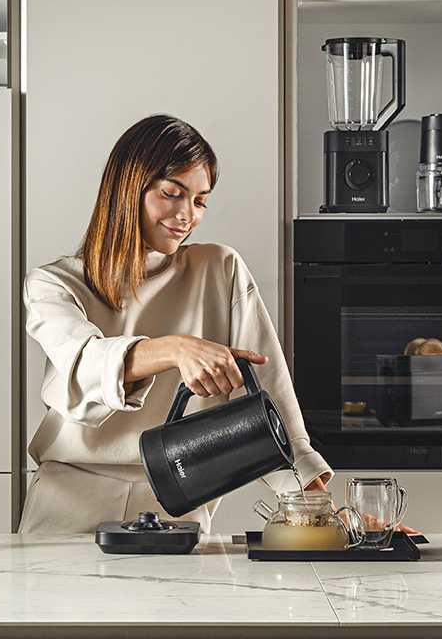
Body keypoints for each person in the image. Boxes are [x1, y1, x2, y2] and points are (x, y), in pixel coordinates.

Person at [19, 114, 332, 533]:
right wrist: (175, 349)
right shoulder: (54, 283)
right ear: (128, 188)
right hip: (66, 506)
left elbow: (273, 400)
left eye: (201, 201)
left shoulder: (220, 268)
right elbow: (84, 363)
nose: (187, 215)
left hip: (177, 507)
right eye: (172, 193)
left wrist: (326, 515)